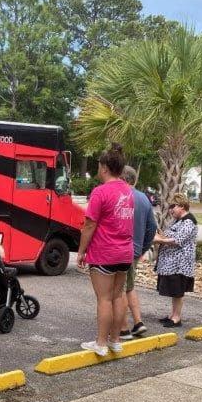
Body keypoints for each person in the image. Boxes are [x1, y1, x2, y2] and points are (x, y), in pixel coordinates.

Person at [77, 143, 134, 357]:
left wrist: (81, 251)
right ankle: (115, 340)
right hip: (124, 252)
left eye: (99, 166)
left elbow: (90, 224)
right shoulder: (128, 191)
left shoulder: (100, 192)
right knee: (118, 296)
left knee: (104, 299)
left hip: (104, 252)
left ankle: (100, 343)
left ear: (104, 168)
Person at [119, 166, 157, 340]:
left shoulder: (121, 196)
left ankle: (123, 328)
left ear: (124, 178)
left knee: (119, 289)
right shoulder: (144, 199)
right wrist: (143, 248)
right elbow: (152, 227)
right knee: (130, 287)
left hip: (119, 249)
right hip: (135, 250)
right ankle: (138, 322)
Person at [154, 193, 198, 327]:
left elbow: (178, 240)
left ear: (182, 206)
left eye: (173, 206)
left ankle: (176, 318)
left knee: (178, 292)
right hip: (172, 264)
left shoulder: (189, 221)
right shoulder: (179, 220)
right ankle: (172, 315)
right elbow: (170, 234)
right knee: (174, 291)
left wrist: (160, 240)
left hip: (180, 265)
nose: (170, 210)